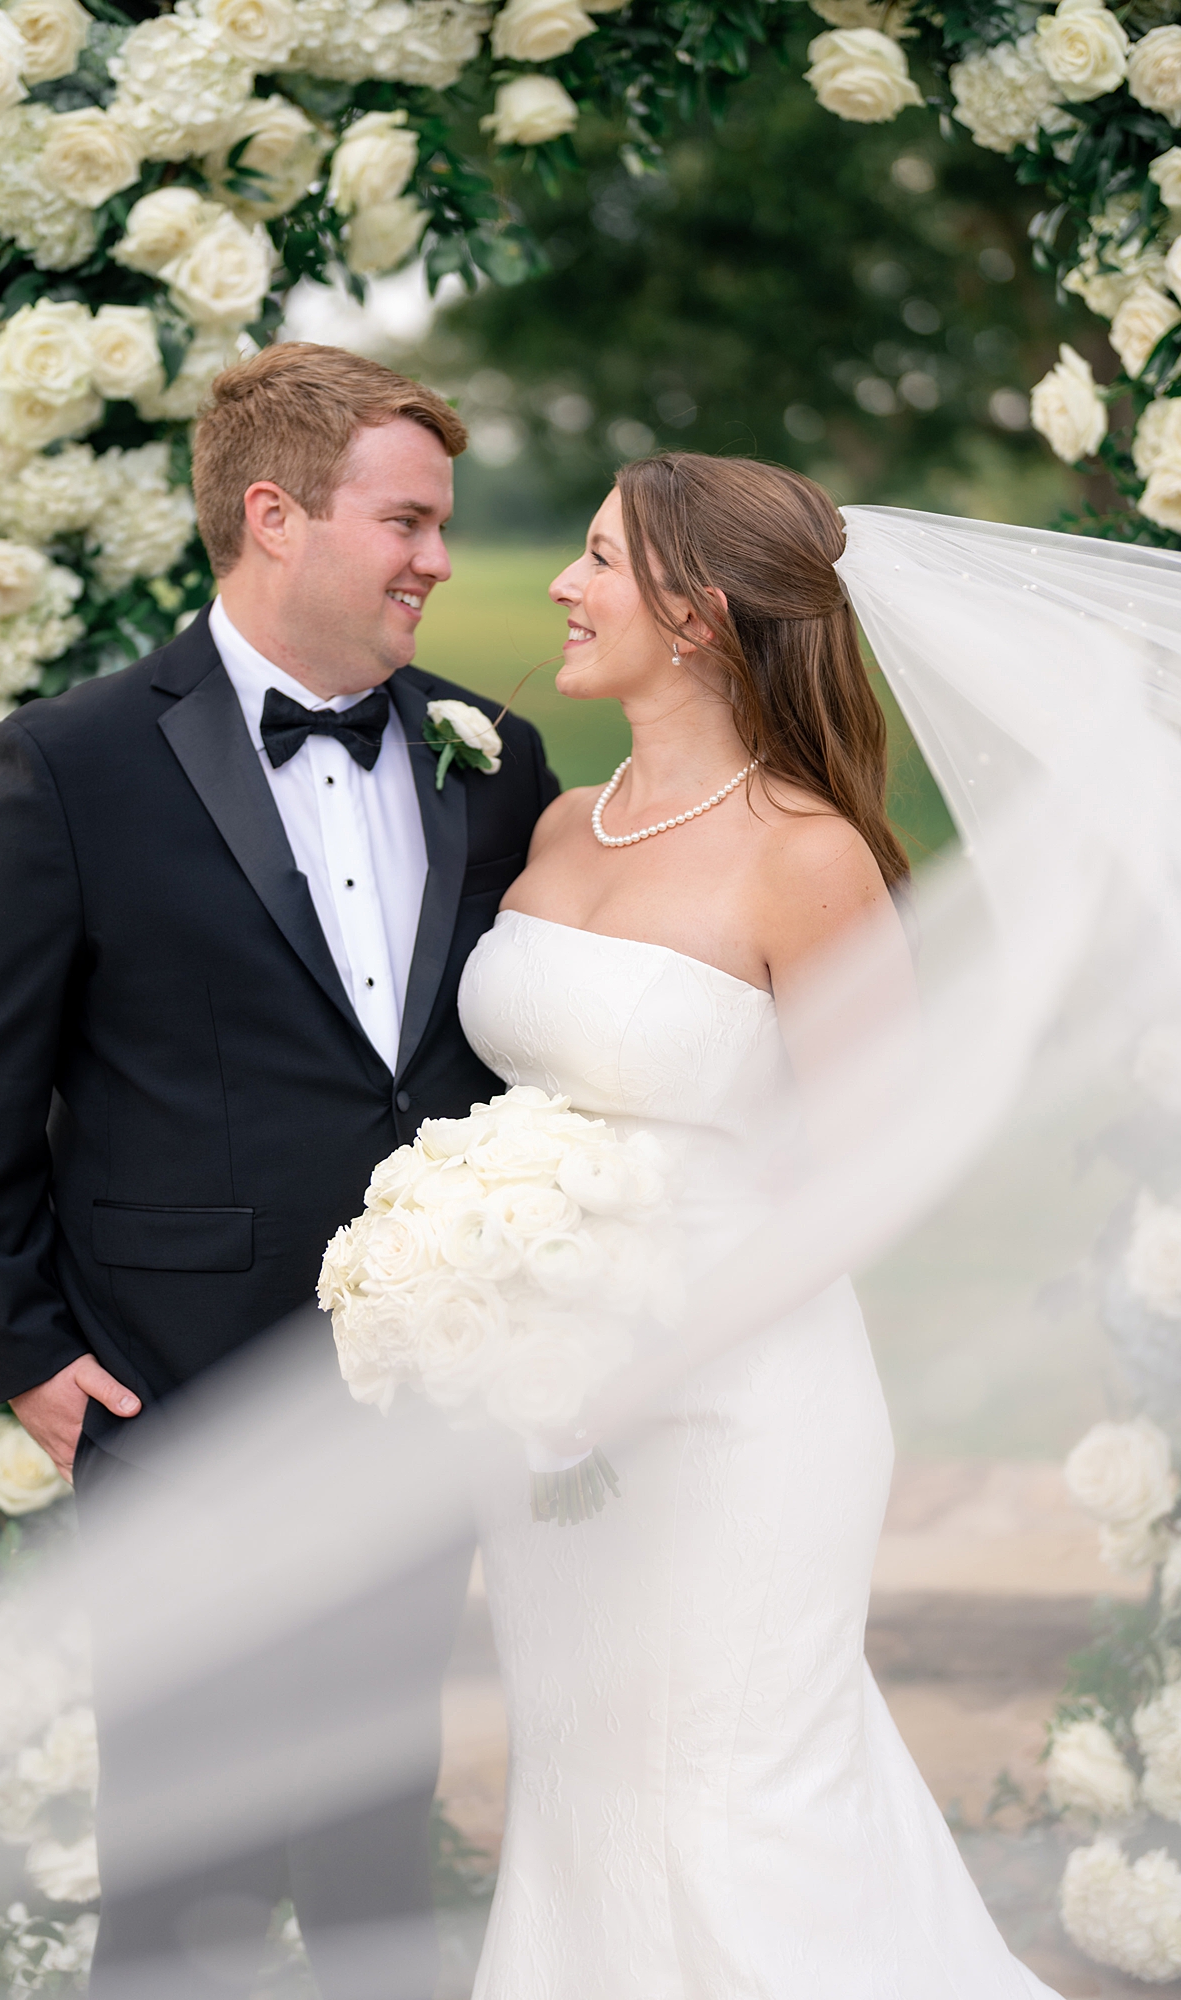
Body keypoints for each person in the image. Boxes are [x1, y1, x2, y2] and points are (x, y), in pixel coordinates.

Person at [0, 341, 560, 2000]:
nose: (437, 559)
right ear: (276, 516)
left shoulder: (492, 757)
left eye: (439, 524)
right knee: (183, 1868)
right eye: (407, 522)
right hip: (173, 1389)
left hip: (414, 1399)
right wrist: (22, 1350)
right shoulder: (72, 762)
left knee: (373, 1845)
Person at [453, 453, 1061, 1996]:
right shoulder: (561, 826)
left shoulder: (810, 855)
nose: (563, 587)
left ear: (701, 615)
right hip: (545, 1415)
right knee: (584, 1793)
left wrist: (646, 1363)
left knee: (735, 1806)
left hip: (735, 1410)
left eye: (600, 559)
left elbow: (869, 1173)